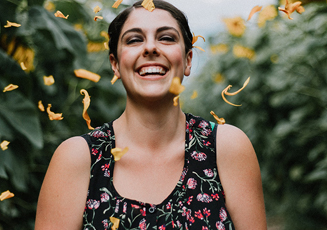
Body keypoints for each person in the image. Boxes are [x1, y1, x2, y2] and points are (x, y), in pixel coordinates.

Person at [35, 1, 267, 229]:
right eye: (134, 40)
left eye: (166, 38)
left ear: (188, 60)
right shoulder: (77, 158)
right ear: (115, 65)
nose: (150, 48)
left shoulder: (226, 148)